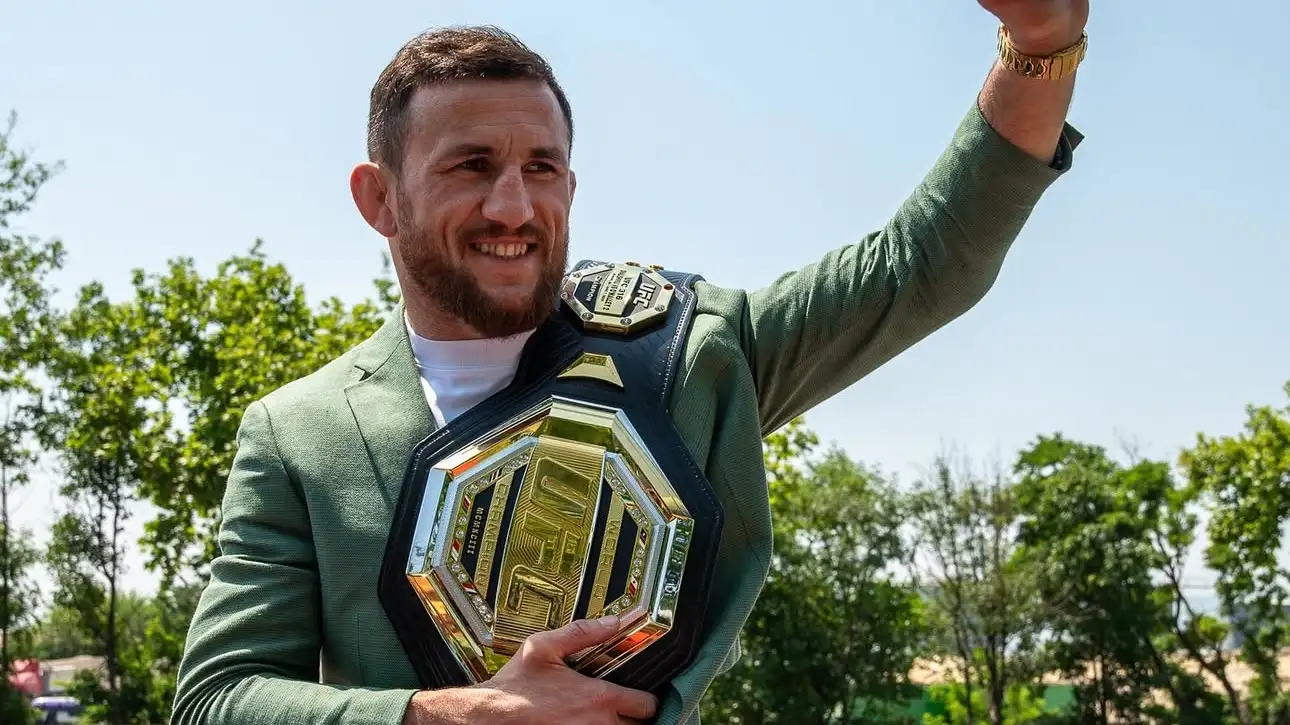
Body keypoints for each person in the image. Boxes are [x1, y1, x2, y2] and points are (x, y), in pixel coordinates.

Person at [170, 2, 1090, 723]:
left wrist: (1040, 44)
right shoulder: (299, 434)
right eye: (470, 166)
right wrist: (446, 715)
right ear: (379, 198)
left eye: (542, 167)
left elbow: (920, 265)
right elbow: (217, 697)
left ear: (570, 184)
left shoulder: (684, 354)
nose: (513, 206)